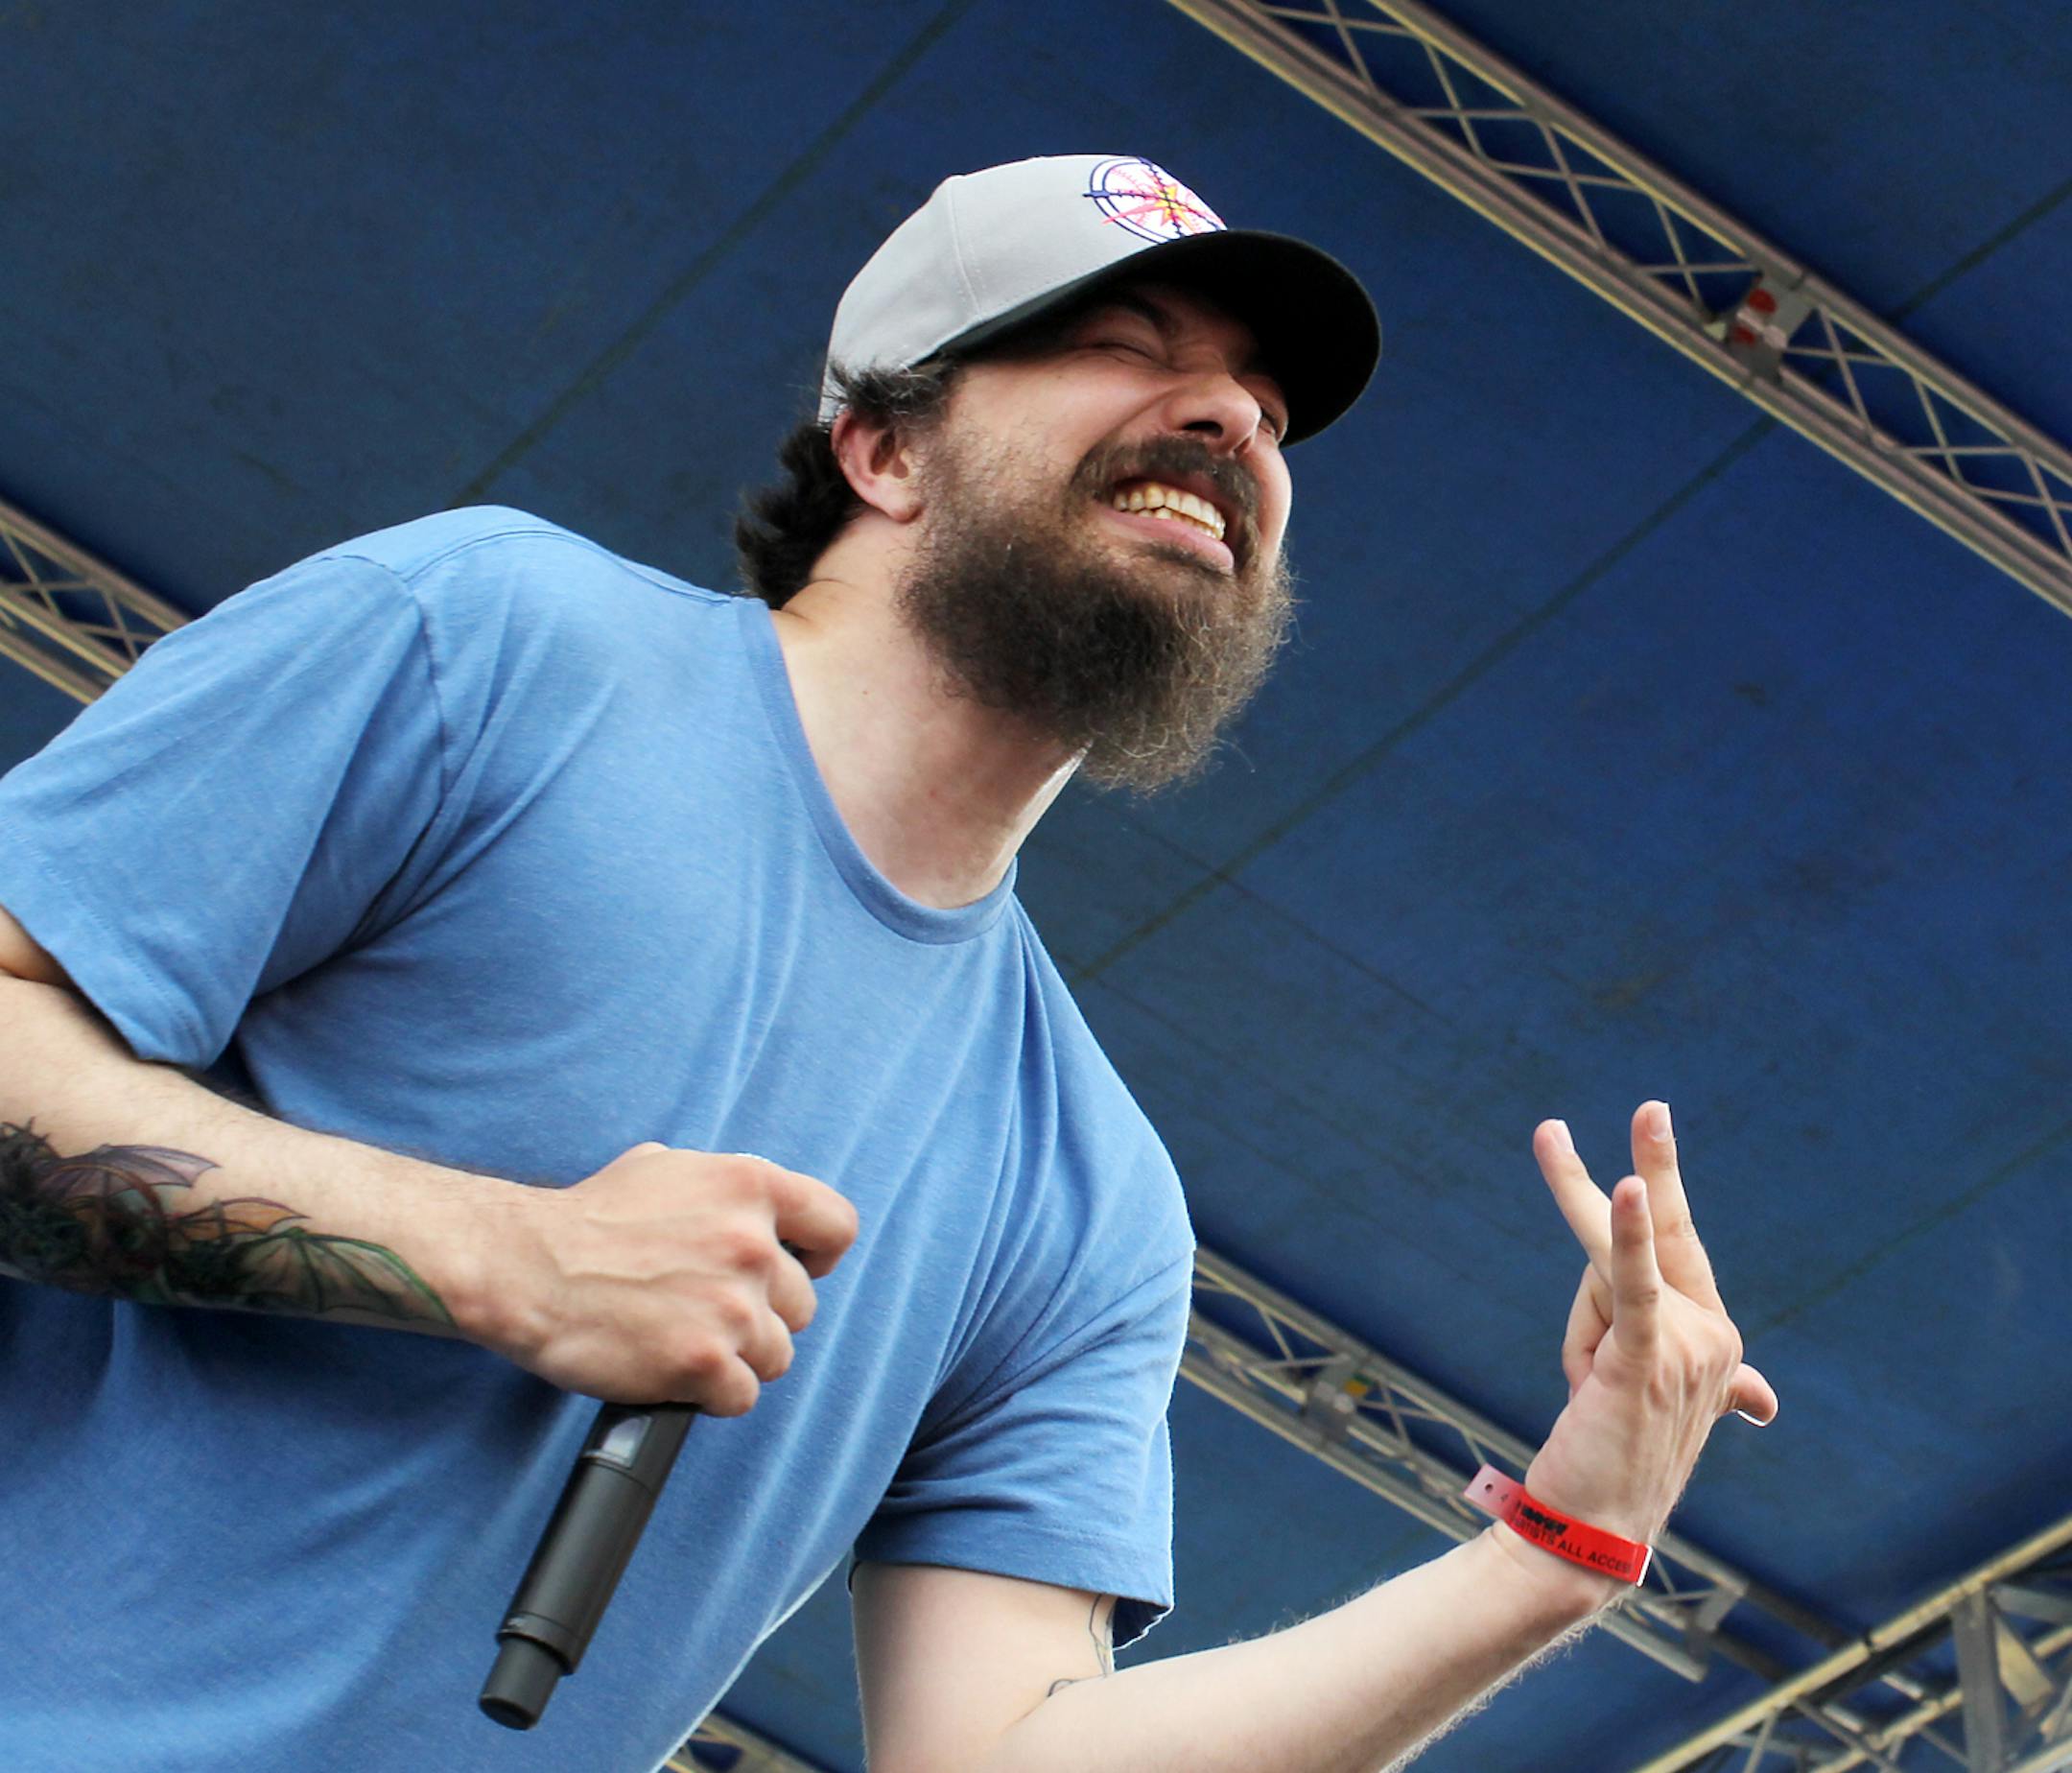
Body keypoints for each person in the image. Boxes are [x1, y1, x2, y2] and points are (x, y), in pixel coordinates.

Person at [0, 154, 1774, 1772]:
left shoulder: (1087, 1193)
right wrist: (501, 1255)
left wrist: (1553, 1556)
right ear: (883, 446)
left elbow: (993, 1757)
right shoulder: (491, 645)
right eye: (1124, 344)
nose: (1229, 413)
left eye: (1268, 406)